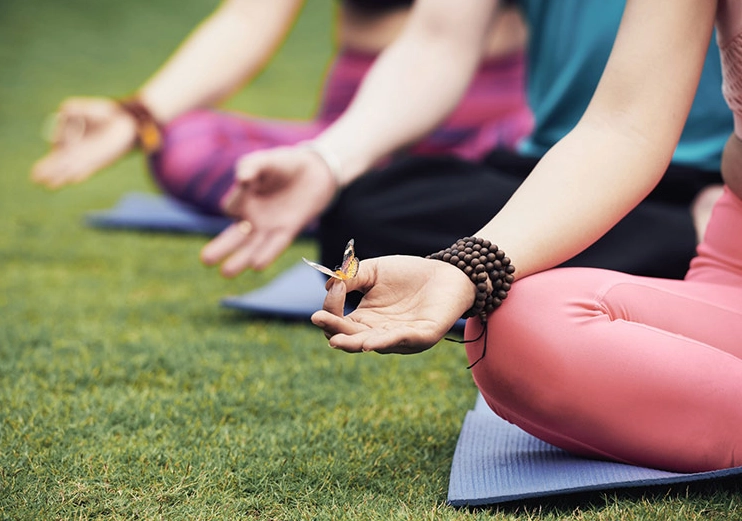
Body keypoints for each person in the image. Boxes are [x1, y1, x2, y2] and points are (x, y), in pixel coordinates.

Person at [310, 0, 742, 474]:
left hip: (687, 198)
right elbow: (624, 130)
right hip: (727, 264)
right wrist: (462, 269)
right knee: (512, 325)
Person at [201, 0, 732, 284]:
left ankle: (705, 235)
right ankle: (686, 245)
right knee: (360, 216)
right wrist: (327, 160)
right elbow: (436, 44)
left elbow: (629, 129)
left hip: (714, 178)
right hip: (563, 171)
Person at [30, 0, 532, 218]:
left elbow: (440, 46)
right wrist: (136, 116)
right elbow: (248, 19)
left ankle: (359, 199)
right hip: (356, 125)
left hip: (495, 123)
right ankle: (333, 191)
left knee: (556, 152)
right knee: (182, 143)